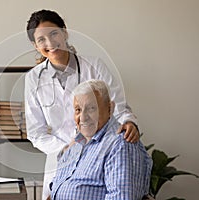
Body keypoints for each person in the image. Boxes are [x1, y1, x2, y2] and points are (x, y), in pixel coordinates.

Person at [24, 9, 140, 199]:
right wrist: (66, 148)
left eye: (54, 34)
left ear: (65, 32)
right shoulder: (33, 79)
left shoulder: (95, 66)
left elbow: (117, 106)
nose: (50, 43)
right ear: (35, 46)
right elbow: (36, 132)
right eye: (41, 39)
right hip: (60, 159)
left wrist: (129, 122)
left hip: (98, 155)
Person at [50, 79, 152, 200]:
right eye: (78, 110)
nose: (82, 117)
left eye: (91, 108)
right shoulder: (76, 144)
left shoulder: (120, 144)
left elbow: (121, 197)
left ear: (110, 108)